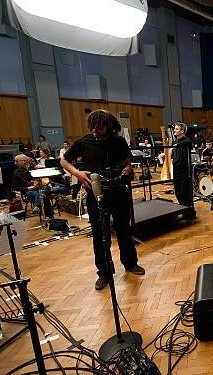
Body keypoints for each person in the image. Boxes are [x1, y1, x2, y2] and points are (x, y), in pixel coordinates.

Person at [60, 110, 144, 290]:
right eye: (92, 127)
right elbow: (64, 161)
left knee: (123, 229)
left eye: (99, 127)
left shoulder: (119, 141)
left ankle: (130, 264)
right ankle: (104, 273)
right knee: (99, 234)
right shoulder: (83, 142)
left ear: (109, 126)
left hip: (118, 191)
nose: (95, 131)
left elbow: (127, 163)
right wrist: (77, 173)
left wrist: (127, 170)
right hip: (95, 193)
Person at [171, 122, 196, 220]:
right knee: (178, 192)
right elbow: (174, 155)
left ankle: (190, 213)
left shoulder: (187, 141)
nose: (174, 130)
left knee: (185, 193)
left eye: (176, 129)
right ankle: (184, 212)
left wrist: (174, 146)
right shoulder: (175, 142)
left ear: (182, 131)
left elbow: (186, 143)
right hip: (176, 170)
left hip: (185, 171)